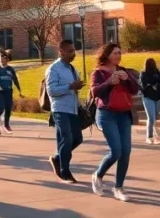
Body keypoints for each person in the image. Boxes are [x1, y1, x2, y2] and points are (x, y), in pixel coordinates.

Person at [89, 43, 138, 202]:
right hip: (106, 114)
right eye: (116, 53)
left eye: (120, 53)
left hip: (123, 115)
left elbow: (135, 89)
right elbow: (95, 92)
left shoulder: (123, 70)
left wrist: (127, 80)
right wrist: (110, 82)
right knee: (116, 150)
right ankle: (98, 175)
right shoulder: (99, 73)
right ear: (108, 54)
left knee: (126, 152)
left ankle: (118, 187)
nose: (119, 55)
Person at [46, 39, 85, 184]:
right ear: (61, 52)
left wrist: (77, 86)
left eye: (74, 50)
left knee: (77, 138)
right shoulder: (53, 69)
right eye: (70, 51)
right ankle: (65, 171)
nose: (73, 53)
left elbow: (72, 87)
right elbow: (51, 90)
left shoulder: (71, 68)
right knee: (66, 139)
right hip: (60, 109)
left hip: (73, 108)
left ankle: (57, 158)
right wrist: (70, 86)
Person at [140, 57, 160, 145]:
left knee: (155, 117)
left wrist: (157, 85)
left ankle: (155, 135)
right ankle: (149, 136)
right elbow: (144, 84)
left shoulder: (156, 72)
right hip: (148, 97)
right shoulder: (144, 73)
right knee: (151, 117)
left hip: (157, 97)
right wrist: (152, 85)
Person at [0, 51, 21, 135]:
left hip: (8, 91)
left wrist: (19, 90)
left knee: (8, 108)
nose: (1, 59)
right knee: (0, 108)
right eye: (0, 57)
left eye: (3, 58)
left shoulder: (10, 69)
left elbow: (15, 80)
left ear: (7, 59)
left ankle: (6, 125)